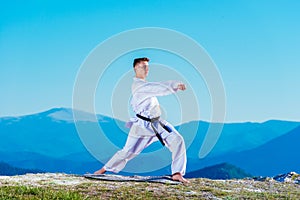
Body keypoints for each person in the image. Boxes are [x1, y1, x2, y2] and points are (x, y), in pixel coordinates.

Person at [94, 57, 189, 183]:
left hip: (156, 123)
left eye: (147, 66)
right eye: (143, 66)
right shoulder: (138, 86)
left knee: (177, 140)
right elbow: (157, 88)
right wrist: (175, 85)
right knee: (127, 152)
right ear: (135, 68)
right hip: (142, 127)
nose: (146, 69)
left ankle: (177, 173)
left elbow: (153, 88)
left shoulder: (144, 85)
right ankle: (103, 169)